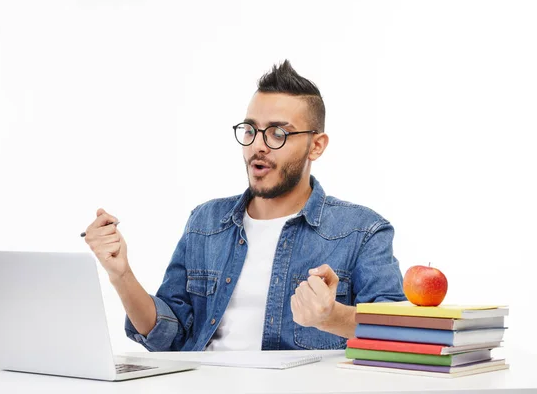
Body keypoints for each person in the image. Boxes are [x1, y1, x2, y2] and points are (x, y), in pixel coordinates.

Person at [83, 60, 406, 352]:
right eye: (250, 130)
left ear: (316, 146)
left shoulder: (362, 231)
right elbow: (170, 336)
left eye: (278, 133)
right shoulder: (206, 221)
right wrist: (121, 274)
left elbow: (399, 333)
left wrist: (332, 316)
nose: (258, 146)